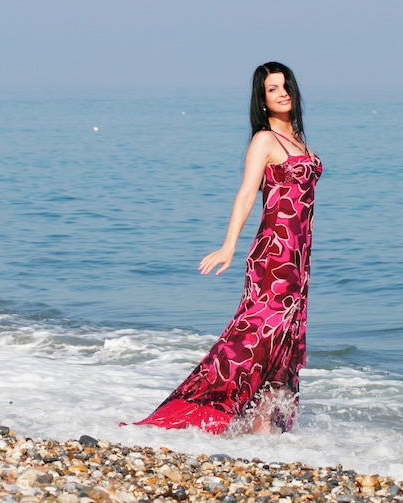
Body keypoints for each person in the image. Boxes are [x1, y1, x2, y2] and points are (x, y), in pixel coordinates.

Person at [134, 62, 322, 435]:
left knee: (285, 341)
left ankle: (263, 427)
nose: (282, 93)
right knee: (254, 337)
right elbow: (246, 194)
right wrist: (228, 246)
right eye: (273, 89)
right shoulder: (265, 140)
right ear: (263, 99)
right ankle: (199, 407)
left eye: (286, 86)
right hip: (274, 254)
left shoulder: (298, 137)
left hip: (299, 258)